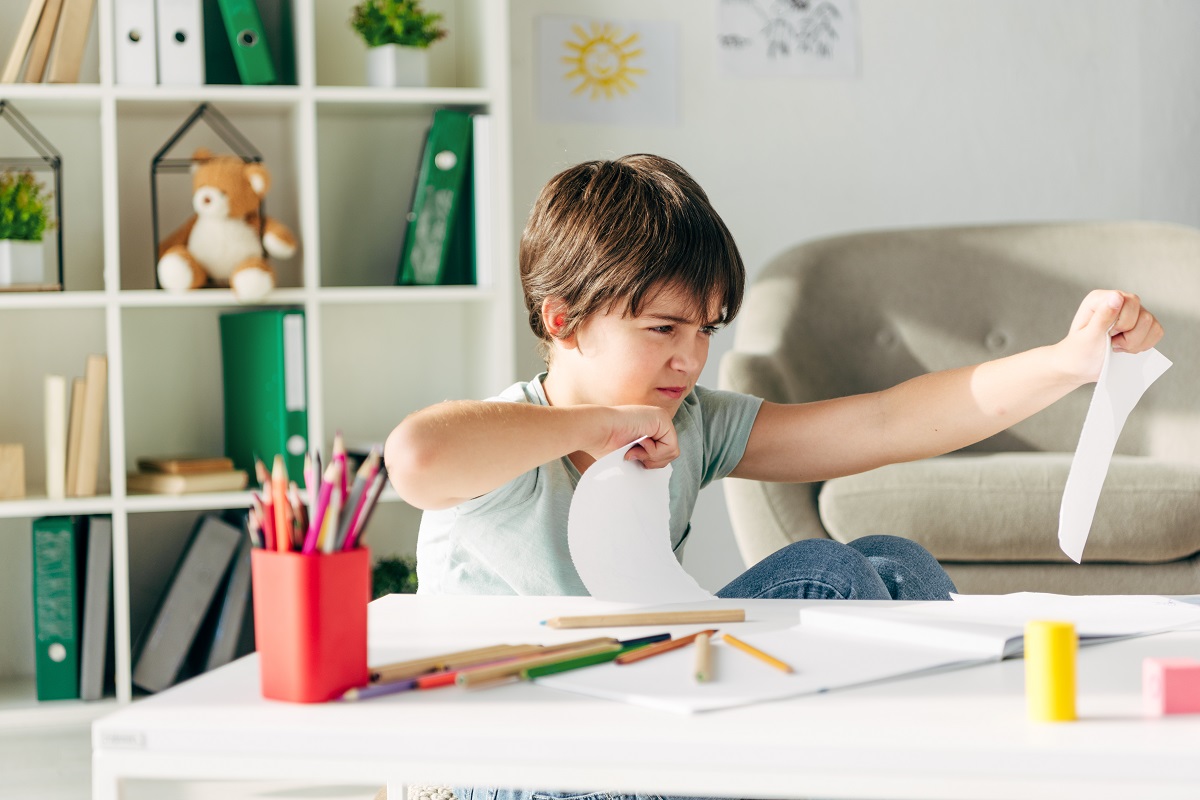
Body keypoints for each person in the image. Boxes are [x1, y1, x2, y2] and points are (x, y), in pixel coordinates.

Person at [383, 154, 1161, 800]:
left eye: (705, 331)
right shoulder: (509, 441)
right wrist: (597, 427)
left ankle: (917, 768)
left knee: (893, 564)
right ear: (563, 319)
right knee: (825, 570)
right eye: (662, 329)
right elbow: (415, 457)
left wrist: (1067, 364)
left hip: (645, 719)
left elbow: (887, 422)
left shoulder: (695, 421)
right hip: (508, 761)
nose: (690, 358)